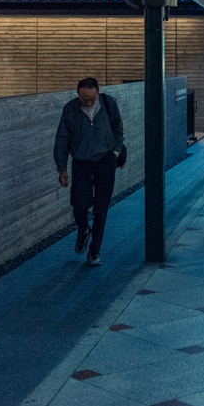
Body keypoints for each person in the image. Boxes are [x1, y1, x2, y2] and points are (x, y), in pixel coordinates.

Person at [54, 77, 126, 266]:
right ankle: (84, 230)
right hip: (82, 162)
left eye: (91, 99)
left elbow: (118, 128)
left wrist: (117, 150)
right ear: (78, 94)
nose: (87, 103)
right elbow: (62, 138)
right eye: (83, 99)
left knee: (101, 208)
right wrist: (61, 168)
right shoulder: (70, 109)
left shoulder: (109, 103)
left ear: (97, 93)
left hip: (105, 160)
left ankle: (95, 251)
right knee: (79, 205)